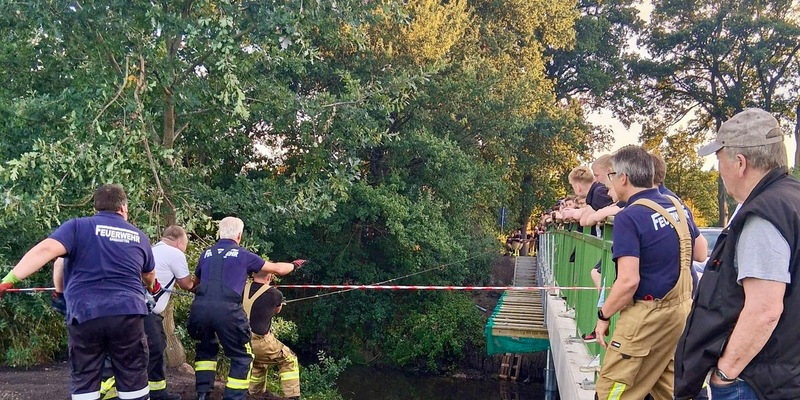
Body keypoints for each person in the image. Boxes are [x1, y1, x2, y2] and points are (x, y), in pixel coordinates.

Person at [675, 108, 800, 400]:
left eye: (719, 160)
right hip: (785, 376)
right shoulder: (792, 199)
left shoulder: (764, 216)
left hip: (755, 383)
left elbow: (765, 311)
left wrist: (725, 375)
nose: (718, 172)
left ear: (740, 163)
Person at [0, 184, 155, 400]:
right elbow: (149, 277)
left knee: (85, 380)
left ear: (96, 207)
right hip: (127, 313)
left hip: (85, 313)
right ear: (123, 208)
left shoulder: (77, 228)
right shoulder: (139, 237)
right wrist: (150, 288)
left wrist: (9, 280)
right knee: (133, 378)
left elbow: (51, 256)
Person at [592, 146, 701, 400]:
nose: (610, 183)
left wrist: (604, 314)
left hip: (646, 319)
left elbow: (628, 281)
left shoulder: (629, 217)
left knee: (611, 390)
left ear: (623, 178)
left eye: (611, 176)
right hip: (680, 313)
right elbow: (700, 252)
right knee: (669, 386)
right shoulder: (677, 206)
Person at [187, 216, 306, 400]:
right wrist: (293, 265)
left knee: (205, 347)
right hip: (227, 311)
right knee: (243, 356)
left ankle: (202, 394)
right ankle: (233, 397)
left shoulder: (206, 254)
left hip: (200, 309)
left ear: (220, 233)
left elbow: (195, 284)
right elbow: (278, 269)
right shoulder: (243, 255)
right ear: (239, 235)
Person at [243, 270, 301, 400]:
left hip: (240, 340)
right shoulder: (275, 294)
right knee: (289, 359)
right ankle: (292, 396)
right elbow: (277, 310)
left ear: (253, 275)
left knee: (259, 362)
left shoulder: (242, 288)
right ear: (269, 276)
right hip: (260, 341)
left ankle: (254, 394)